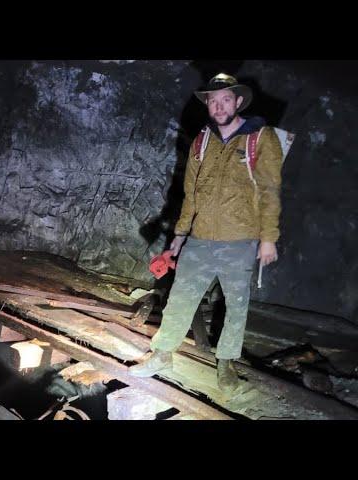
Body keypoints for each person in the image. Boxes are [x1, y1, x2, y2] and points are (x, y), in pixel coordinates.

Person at [129, 73, 284, 394]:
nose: (219, 106)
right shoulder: (202, 140)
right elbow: (192, 193)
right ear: (208, 106)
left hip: (240, 240)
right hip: (199, 238)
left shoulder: (260, 137)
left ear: (238, 102)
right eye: (213, 101)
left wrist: (269, 236)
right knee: (180, 299)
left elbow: (270, 190)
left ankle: (226, 362)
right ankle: (162, 354)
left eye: (226, 99)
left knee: (236, 305)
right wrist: (180, 235)